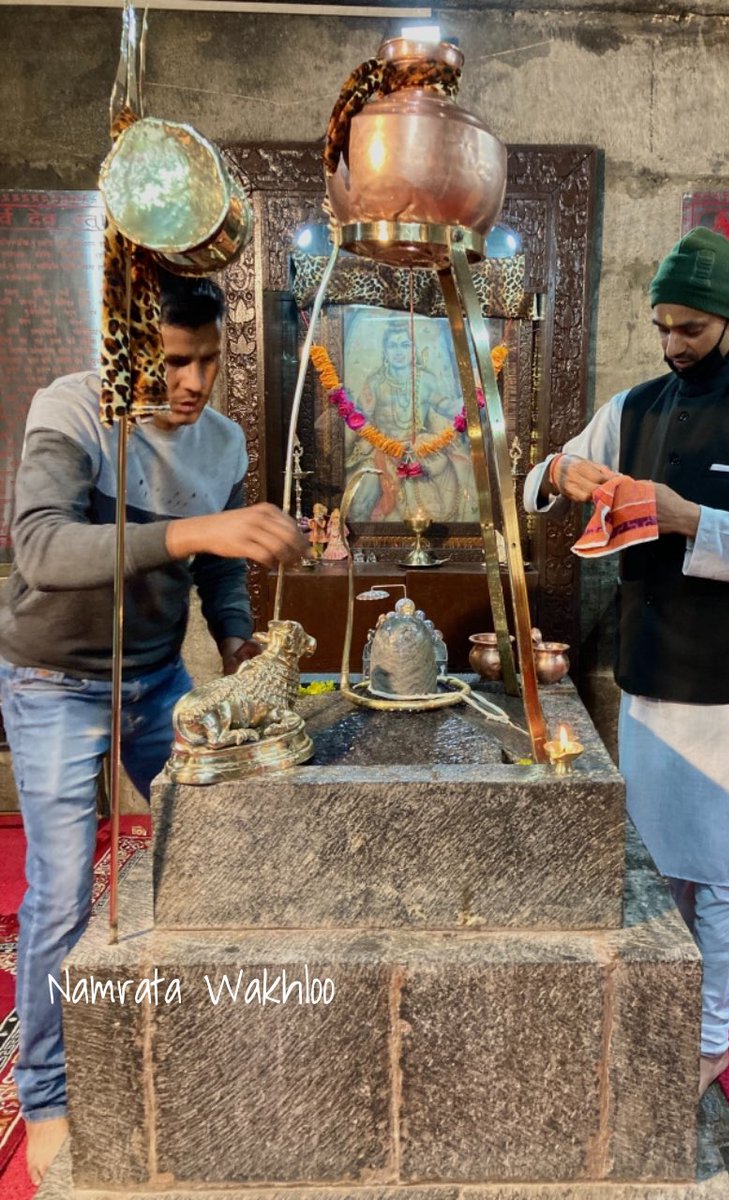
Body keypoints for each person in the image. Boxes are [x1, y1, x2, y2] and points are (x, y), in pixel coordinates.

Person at [0, 269, 303, 1182]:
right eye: (176, 361)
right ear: (130, 345)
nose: (196, 383)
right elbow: (43, 548)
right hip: (55, 679)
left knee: (217, 838)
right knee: (61, 893)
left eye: (210, 361)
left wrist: (245, 640)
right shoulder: (74, 411)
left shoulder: (220, 443)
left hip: (156, 677)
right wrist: (193, 534)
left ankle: (189, 1021)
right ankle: (49, 1093)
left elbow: (220, 579)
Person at [524, 227, 729, 1097]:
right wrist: (559, 470)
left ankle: (707, 1041)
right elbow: (535, 483)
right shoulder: (635, 408)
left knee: (726, 876)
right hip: (652, 677)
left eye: (689, 329)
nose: (671, 345)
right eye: (661, 327)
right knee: (660, 869)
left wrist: (691, 517)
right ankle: (658, 1015)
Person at [346, 317, 477, 525]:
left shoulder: (426, 380)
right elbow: (359, 420)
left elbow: (447, 407)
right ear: (385, 351)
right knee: (360, 501)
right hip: (383, 451)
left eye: (405, 345)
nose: (399, 351)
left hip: (421, 449)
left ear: (412, 349)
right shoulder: (375, 383)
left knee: (465, 477)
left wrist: (473, 398)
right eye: (393, 345)